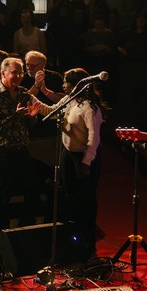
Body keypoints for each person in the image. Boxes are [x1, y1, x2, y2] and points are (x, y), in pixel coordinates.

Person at [0, 57, 46, 230]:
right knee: (5, 192)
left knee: (31, 190)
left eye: (20, 73)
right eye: (14, 73)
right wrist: (16, 116)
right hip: (3, 151)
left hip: (22, 149)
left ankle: (27, 227)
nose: (18, 76)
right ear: (3, 73)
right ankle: (3, 231)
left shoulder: (23, 93)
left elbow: (29, 124)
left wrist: (32, 118)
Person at [56, 68, 106, 259]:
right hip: (68, 154)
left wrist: (86, 162)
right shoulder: (70, 101)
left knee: (85, 199)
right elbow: (51, 110)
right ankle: (73, 237)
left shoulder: (90, 108)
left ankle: (88, 242)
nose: (63, 85)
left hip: (85, 157)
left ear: (77, 85)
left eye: (66, 82)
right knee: (69, 196)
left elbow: (94, 138)